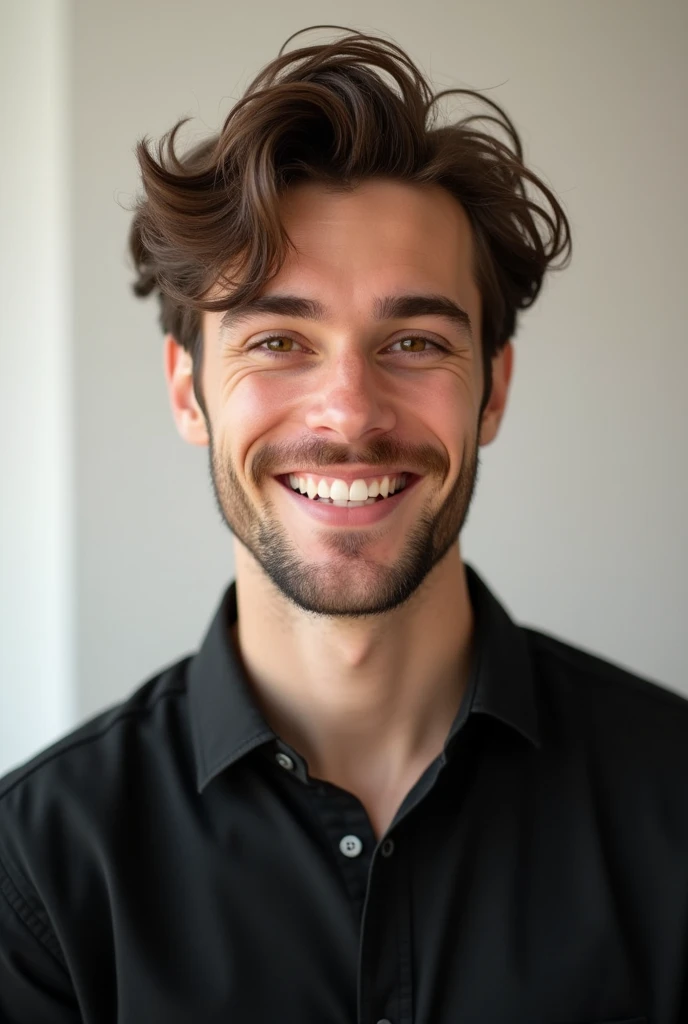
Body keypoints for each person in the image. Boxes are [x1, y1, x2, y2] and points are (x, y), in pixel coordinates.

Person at [0, 24, 685, 1024]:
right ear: (188, 392)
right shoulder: (38, 873)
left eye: (412, 341)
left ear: (492, 389)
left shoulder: (674, 803)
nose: (349, 413)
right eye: (278, 339)